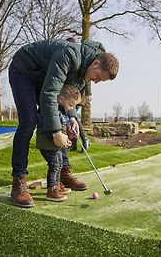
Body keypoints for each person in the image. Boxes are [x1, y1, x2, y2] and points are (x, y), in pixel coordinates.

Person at [8, 38, 119, 208]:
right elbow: (49, 94)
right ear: (96, 63)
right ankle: (19, 182)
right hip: (24, 71)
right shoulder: (68, 54)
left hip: (45, 78)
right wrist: (55, 132)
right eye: (97, 77)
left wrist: (72, 117)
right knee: (28, 121)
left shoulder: (85, 71)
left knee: (63, 118)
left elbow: (68, 95)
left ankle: (63, 173)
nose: (95, 81)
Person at [36, 84, 81, 202]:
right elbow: (48, 128)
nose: (71, 108)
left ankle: (57, 185)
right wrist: (59, 136)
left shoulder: (62, 111)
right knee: (54, 165)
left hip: (54, 144)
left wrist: (67, 137)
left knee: (60, 163)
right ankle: (52, 189)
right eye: (70, 105)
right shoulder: (51, 110)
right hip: (47, 143)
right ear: (61, 99)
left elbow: (62, 129)